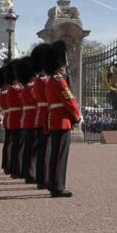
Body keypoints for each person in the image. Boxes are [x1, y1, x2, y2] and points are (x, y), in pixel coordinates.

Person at [44, 41, 81, 198]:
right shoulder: (59, 81)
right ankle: (58, 186)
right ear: (60, 65)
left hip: (54, 120)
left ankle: (54, 184)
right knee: (60, 155)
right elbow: (69, 100)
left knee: (55, 155)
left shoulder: (50, 81)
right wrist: (77, 115)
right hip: (63, 121)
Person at [31, 44, 53, 189]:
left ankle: (40, 178)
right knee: (46, 151)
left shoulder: (36, 81)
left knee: (41, 150)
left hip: (40, 116)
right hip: (47, 117)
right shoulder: (45, 81)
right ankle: (44, 179)